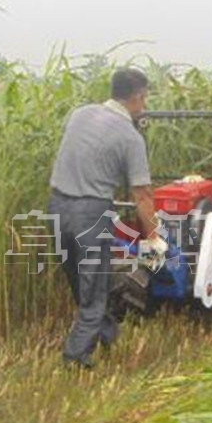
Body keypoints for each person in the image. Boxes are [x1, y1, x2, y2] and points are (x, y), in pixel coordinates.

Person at [49, 68, 167, 369]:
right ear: (138, 97)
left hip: (56, 208)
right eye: (145, 99)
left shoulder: (80, 114)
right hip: (90, 215)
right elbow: (142, 196)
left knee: (80, 283)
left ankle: (109, 335)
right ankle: (76, 358)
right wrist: (154, 238)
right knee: (94, 291)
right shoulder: (130, 138)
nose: (145, 105)